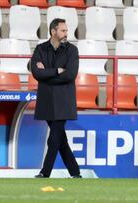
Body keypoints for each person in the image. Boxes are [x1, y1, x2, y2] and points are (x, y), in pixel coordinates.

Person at [31, 18, 81, 178]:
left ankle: (45, 173)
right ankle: (76, 173)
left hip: (63, 101)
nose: (67, 33)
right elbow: (36, 73)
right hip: (46, 100)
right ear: (53, 31)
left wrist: (47, 74)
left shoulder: (72, 50)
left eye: (66, 30)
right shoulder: (40, 49)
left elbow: (70, 75)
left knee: (53, 139)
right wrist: (56, 71)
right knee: (61, 141)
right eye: (63, 30)